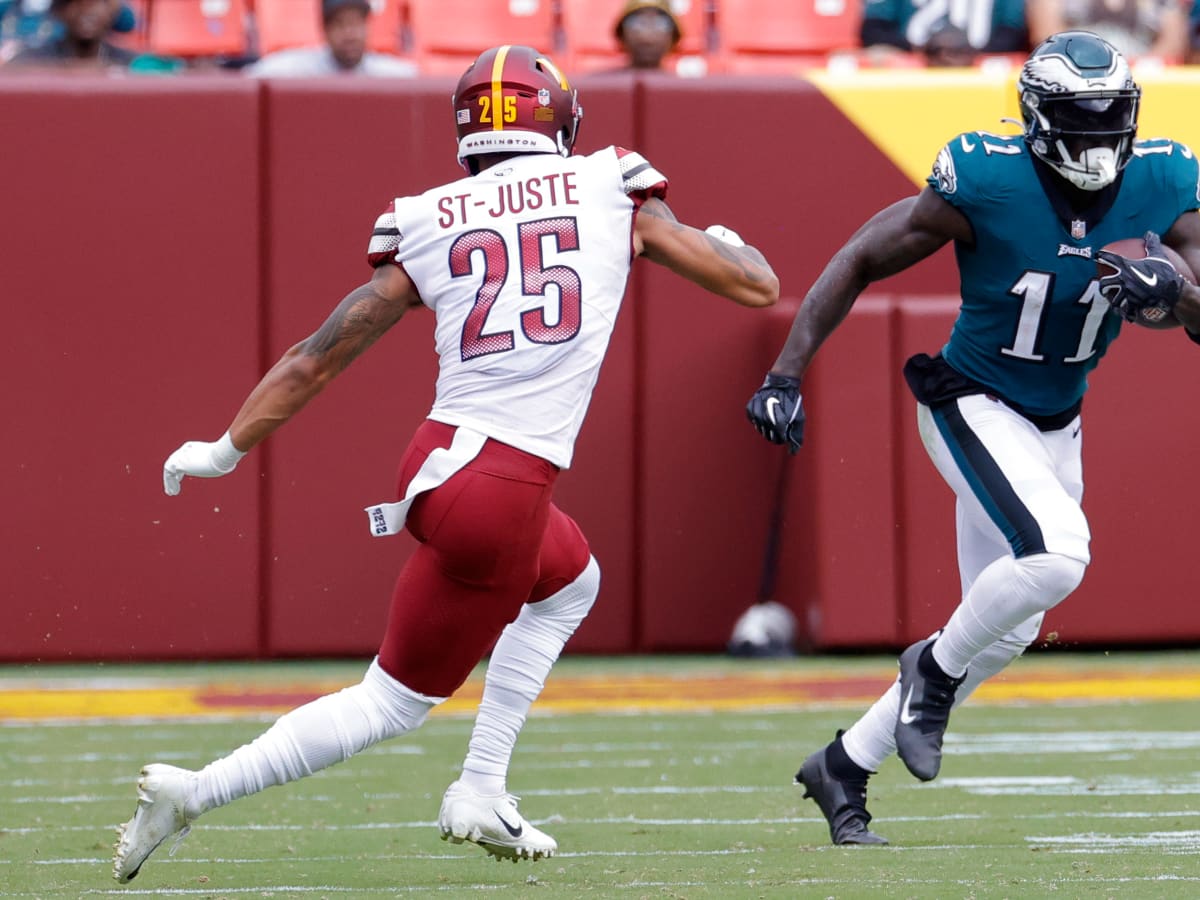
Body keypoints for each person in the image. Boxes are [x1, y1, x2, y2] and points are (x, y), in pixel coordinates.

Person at [111, 43, 778, 882]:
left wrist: (224, 446)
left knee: (572, 579)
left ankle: (485, 784)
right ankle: (196, 791)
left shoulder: (429, 215)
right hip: (503, 484)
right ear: (561, 117)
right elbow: (756, 286)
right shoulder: (613, 184)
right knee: (392, 702)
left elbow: (319, 353)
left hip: (443, 465)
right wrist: (726, 240)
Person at [745, 30, 1200, 846]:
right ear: (1037, 116)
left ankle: (844, 765)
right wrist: (785, 373)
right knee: (1059, 555)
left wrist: (1176, 294)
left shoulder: (1167, 177)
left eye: (1110, 116)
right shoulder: (984, 175)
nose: (1098, 134)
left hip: (1059, 418)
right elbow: (859, 257)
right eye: (1079, 117)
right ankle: (933, 670)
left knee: (1013, 622)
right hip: (971, 399)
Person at [245, 0, 416, 77]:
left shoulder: (389, 73)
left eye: (356, 24)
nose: (350, 34)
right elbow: (254, 77)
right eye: (340, 24)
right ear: (325, 30)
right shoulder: (302, 68)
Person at [859, 0, 1029, 64]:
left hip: (982, 67)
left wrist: (963, 53)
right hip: (910, 67)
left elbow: (1013, 32)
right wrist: (927, 51)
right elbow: (874, 29)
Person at [1025, 0, 1191, 63]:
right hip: (1074, 78)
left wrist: (1128, 69)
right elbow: (1046, 36)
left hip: (1144, 81)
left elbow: (1174, 43)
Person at [6, 0, 135, 67]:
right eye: (76, 2)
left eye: (97, 3)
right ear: (60, 10)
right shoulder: (31, 59)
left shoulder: (129, 62)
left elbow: (129, 22)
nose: (87, 11)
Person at [613, 0, 681, 71]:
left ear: (673, 36)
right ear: (622, 34)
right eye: (636, 23)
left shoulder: (682, 82)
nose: (647, 35)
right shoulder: (604, 81)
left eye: (660, 23)